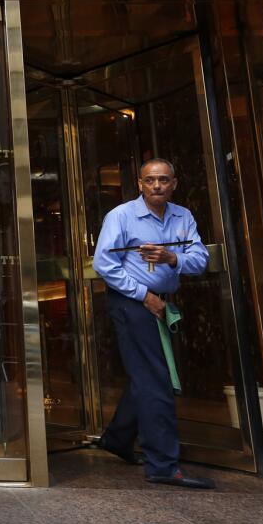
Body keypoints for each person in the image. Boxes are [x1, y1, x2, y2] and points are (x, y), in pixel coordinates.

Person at [91, 158, 214, 489]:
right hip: (132, 303)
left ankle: (118, 439)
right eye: (150, 180)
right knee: (156, 381)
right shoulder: (121, 216)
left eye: (163, 180)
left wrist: (172, 257)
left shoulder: (183, 216)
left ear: (174, 183)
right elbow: (103, 262)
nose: (156, 185)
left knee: (147, 375)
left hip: (160, 303)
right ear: (139, 184)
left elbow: (200, 259)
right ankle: (163, 464)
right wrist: (144, 295)